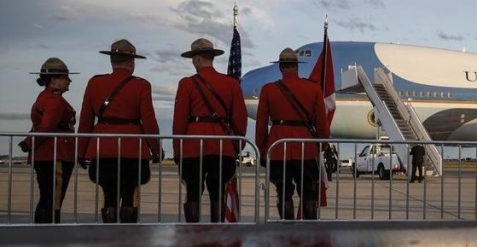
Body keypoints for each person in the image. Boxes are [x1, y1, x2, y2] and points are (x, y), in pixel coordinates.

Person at [78, 39, 160, 223]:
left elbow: (85, 120)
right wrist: (155, 149)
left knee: (108, 195)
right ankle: (127, 239)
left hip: (103, 146)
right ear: (132, 63)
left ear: (111, 61)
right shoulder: (141, 85)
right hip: (132, 148)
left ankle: (109, 237)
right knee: (130, 195)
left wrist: (81, 151)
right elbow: (149, 121)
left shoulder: (94, 83)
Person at [172, 38, 248, 223]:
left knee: (193, 191)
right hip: (222, 145)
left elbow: (180, 120)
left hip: (192, 145)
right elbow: (240, 118)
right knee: (218, 190)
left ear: (197, 59)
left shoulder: (186, 84)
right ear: (211, 57)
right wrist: (237, 144)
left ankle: (193, 230)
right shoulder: (231, 84)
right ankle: (217, 227)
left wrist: (177, 149)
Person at [255, 48, 328, 220]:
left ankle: (288, 230)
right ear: (297, 66)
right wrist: (322, 144)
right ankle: (310, 231)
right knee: (308, 191)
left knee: (283, 191)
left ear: (280, 67)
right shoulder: (313, 88)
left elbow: (261, 124)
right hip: (306, 148)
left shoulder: (269, 90)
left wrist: (263, 149)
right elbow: (321, 123)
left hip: (279, 147)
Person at [20, 58, 78, 223]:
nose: (69, 81)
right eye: (65, 77)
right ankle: (49, 234)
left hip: (46, 154)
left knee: (48, 197)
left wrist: (28, 142)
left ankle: (43, 232)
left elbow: (39, 126)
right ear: (53, 80)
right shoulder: (54, 100)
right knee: (53, 200)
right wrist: (29, 143)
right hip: (55, 154)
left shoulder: (45, 96)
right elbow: (46, 127)